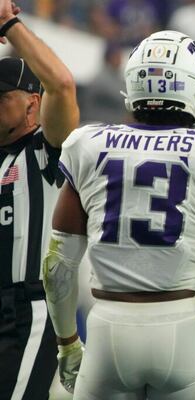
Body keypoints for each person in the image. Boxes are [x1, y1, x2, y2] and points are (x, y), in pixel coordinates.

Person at [42, 30, 195, 399]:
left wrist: (67, 342)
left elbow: (58, 265)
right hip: (181, 326)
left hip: (107, 326)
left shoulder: (88, 143)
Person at [0, 1, 79, 398]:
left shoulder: (44, 151)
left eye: (2, 97)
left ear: (33, 102)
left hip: (26, 306)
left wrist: (10, 24)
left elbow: (62, 84)